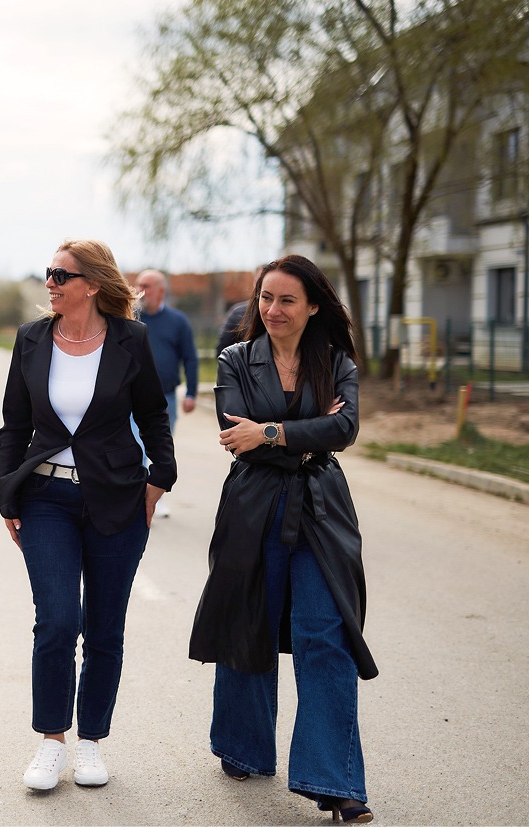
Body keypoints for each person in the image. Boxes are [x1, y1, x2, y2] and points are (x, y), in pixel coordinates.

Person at [189, 254, 376, 823]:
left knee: (327, 633)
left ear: (313, 306)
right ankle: (243, 746)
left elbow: (344, 428)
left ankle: (334, 781)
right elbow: (234, 432)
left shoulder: (336, 361)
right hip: (253, 505)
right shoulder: (235, 359)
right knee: (251, 621)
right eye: (265, 298)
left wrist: (269, 431)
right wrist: (306, 433)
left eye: (286, 299)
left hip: (321, 507)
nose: (272, 309)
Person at [0, 239, 176, 791]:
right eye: (47, 273)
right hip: (45, 497)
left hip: (116, 497)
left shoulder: (130, 340)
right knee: (56, 621)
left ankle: (91, 740)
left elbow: (154, 413)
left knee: (104, 627)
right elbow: (14, 425)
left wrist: (159, 479)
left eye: (61, 275)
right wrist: (7, 495)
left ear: (92, 285)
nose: (49, 282)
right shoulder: (31, 339)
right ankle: (52, 741)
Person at [132, 269, 197, 517]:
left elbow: (190, 358)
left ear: (161, 291)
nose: (140, 290)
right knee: (135, 447)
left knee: (159, 449)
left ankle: (154, 496)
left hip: (165, 398)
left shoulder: (178, 321)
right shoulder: (130, 319)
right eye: (138, 284)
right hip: (130, 398)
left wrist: (191, 393)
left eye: (146, 286)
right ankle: (135, 496)